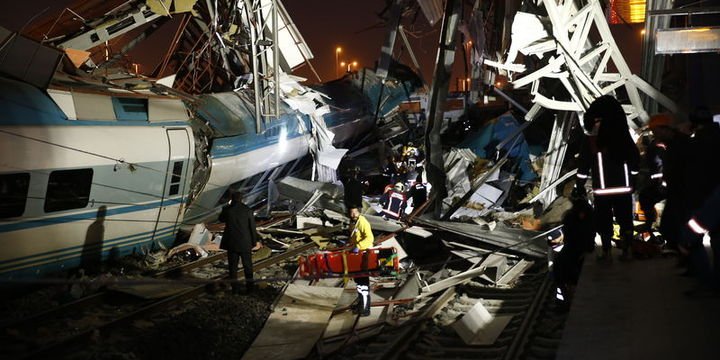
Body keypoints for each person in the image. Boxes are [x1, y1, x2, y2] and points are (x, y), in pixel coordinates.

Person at [576, 95, 640, 261]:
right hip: (624, 188)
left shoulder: (591, 140)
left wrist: (580, 184)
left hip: (602, 190)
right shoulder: (624, 137)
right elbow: (635, 159)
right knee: (625, 219)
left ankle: (606, 252)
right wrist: (634, 179)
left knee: (603, 221)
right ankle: (627, 251)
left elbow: (583, 164)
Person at [219, 192, 262, 294]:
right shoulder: (247, 210)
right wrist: (254, 241)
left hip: (232, 243)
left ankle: (235, 290)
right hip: (245, 243)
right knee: (248, 266)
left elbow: (220, 219)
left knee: (233, 268)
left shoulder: (228, 210)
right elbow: (252, 227)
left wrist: (226, 206)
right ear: (241, 199)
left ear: (232, 199)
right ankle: (250, 288)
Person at [349, 207, 374, 316]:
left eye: (355, 212)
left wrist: (358, 246)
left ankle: (365, 309)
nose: (353, 214)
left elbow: (370, 238)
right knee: (359, 283)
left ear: (359, 212)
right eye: (351, 212)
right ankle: (361, 305)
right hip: (358, 255)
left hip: (364, 256)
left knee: (363, 284)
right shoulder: (355, 223)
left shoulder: (362, 222)